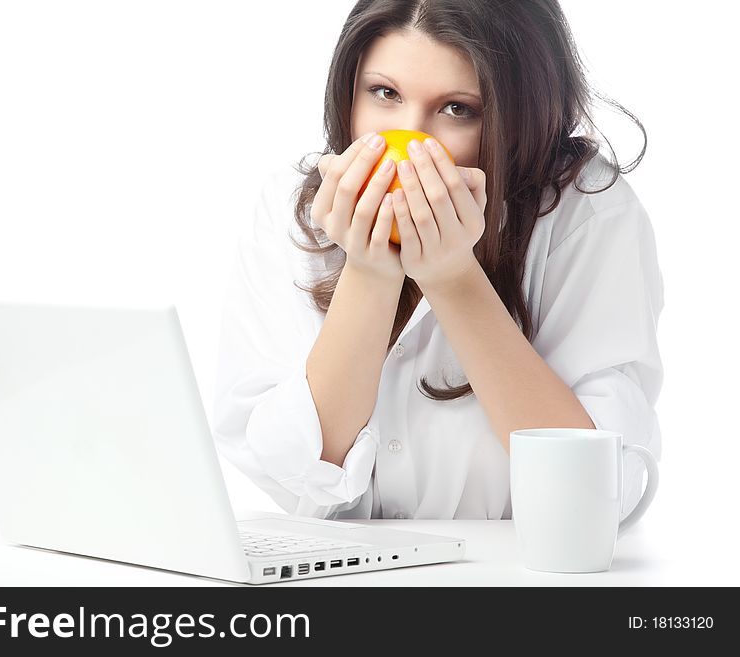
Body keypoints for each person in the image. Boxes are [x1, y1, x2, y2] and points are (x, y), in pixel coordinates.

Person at [212, 0, 663, 521]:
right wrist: (370, 271)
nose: (412, 141)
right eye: (385, 93)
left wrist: (453, 278)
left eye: (457, 109)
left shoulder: (589, 212)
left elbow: (597, 495)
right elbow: (293, 475)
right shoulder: (297, 206)